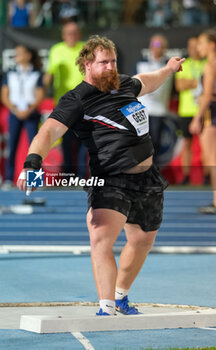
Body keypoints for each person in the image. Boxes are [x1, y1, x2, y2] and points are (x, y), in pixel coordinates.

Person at [17, 35, 185, 315]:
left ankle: (120, 297)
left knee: (143, 239)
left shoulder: (123, 85)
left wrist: (168, 69)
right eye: (103, 62)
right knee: (101, 239)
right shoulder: (76, 100)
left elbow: (148, 80)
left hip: (147, 178)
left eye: (113, 61)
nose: (110, 67)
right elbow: (48, 132)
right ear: (86, 64)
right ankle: (105, 309)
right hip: (110, 179)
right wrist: (32, 164)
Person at [189, 30, 216, 214]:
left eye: (201, 43)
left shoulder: (211, 65)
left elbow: (206, 95)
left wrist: (197, 117)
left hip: (211, 111)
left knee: (213, 159)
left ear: (211, 45)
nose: (198, 47)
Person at [43, 21, 87, 178]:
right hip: (64, 104)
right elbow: (49, 73)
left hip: (85, 102)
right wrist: (41, 89)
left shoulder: (86, 49)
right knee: (67, 142)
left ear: (79, 34)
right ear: (63, 35)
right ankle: (69, 176)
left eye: (75, 32)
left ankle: (82, 177)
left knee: (84, 141)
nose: (72, 36)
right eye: (69, 33)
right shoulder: (56, 50)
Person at [1, 45, 44, 189]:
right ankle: (8, 179)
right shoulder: (10, 73)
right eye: (16, 53)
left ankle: (36, 180)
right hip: (15, 114)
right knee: (12, 145)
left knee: (35, 148)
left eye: (20, 53)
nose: (16, 56)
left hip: (31, 114)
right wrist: (14, 109)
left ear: (28, 55)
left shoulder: (37, 73)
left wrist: (29, 109)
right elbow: (4, 94)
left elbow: (40, 94)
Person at [136, 34, 173, 163]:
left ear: (164, 48)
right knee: (141, 143)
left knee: (155, 142)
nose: (155, 47)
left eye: (158, 45)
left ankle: (152, 172)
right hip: (142, 110)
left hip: (159, 110)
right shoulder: (141, 63)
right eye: (153, 44)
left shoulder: (168, 66)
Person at [175, 36, 206, 184]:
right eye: (190, 46)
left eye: (195, 46)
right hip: (186, 110)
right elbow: (179, 85)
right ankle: (186, 176)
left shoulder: (207, 64)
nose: (193, 49)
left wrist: (190, 82)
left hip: (204, 110)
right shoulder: (185, 64)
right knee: (186, 144)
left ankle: (207, 177)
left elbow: (210, 85)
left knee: (206, 144)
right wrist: (198, 82)